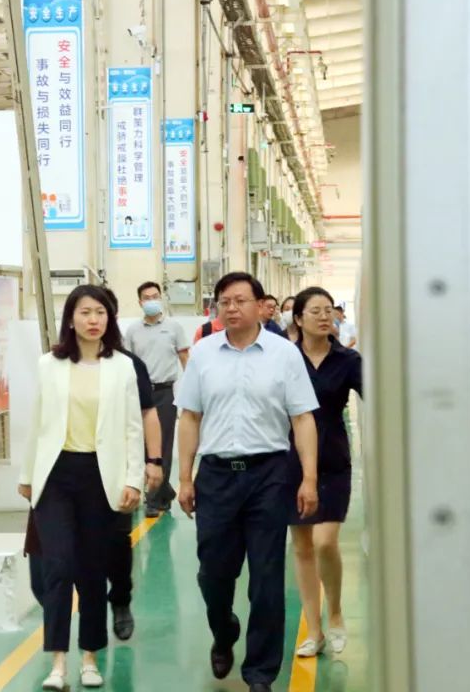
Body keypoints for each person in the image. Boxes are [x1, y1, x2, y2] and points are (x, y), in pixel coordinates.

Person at [176, 272, 320, 692]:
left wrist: (308, 478)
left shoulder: (284, 354)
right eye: (224, 301)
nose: (232, 308)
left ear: (260, 306)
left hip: (269, 476)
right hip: (216, 477)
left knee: (267, 579)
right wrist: (184, 477)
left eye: (240, 300)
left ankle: (260, 674)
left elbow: (302, 418)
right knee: (213, 575)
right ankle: (224, 631)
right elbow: (189, 417)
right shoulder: (203, 353)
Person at [19, 285, 145, 690]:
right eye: (85, 312)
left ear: (109, 319)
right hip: (56, 475)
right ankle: (58, 663)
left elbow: (132, 428)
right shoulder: (49, 365)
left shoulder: (122, 367)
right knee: (57, 567)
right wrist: (27, 476)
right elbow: (37, 422)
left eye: (100, 313)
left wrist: (134, 479)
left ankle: (90, 657)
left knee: (92, 570)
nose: (93, 320)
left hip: (100, 476)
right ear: (71, 319)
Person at [288, 287, 362, 659]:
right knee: (302, 546)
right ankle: (314, 629)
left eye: (328, 310)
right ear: (298, 318)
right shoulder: (285, 358)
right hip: (290, 460)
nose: (323, 316)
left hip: (333, 460)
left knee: (325, 542)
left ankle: (335, 613)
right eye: (315, 310)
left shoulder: (348, 360)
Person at [124, 281, 190, 517]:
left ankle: (153, 499)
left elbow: (185, 358)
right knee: (143, 444)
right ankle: (163, 491)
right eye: (147, 297)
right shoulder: (133, 331)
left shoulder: (174, 327)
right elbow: (126, 363)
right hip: (140, 393)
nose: (151, 301)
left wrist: (191, 392)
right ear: (140, 302)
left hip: (164, 392)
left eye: (155, 296)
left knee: (163, 446)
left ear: (161, 298)